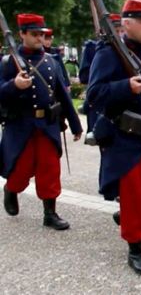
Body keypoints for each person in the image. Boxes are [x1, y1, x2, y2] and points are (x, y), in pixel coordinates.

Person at [86, 0, 141, 277]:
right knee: (134, 194)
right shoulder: (109, 53)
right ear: (127, 23)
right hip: (125, 138)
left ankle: (128, 216)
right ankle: (135, 247)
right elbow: (94, 95)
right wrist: (125, 87)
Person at [0, 13, 83, 230]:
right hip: (20, 126)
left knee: (49, 170)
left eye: (41, 34)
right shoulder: (8, 62)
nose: (39, 38)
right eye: (34, 34)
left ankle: (50, 213)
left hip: (48, 125)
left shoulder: (51, 61)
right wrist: (14, 86)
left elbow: (63, 96)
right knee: (20, 170)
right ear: (22, 34)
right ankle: (11, 189)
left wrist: (75, 125)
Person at [80, 13, 123, 133]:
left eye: (121, 31)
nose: (119, 35)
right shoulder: (93, 48)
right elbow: (84, 76)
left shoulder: (127, 51)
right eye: (116, 31)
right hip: (101, 99)